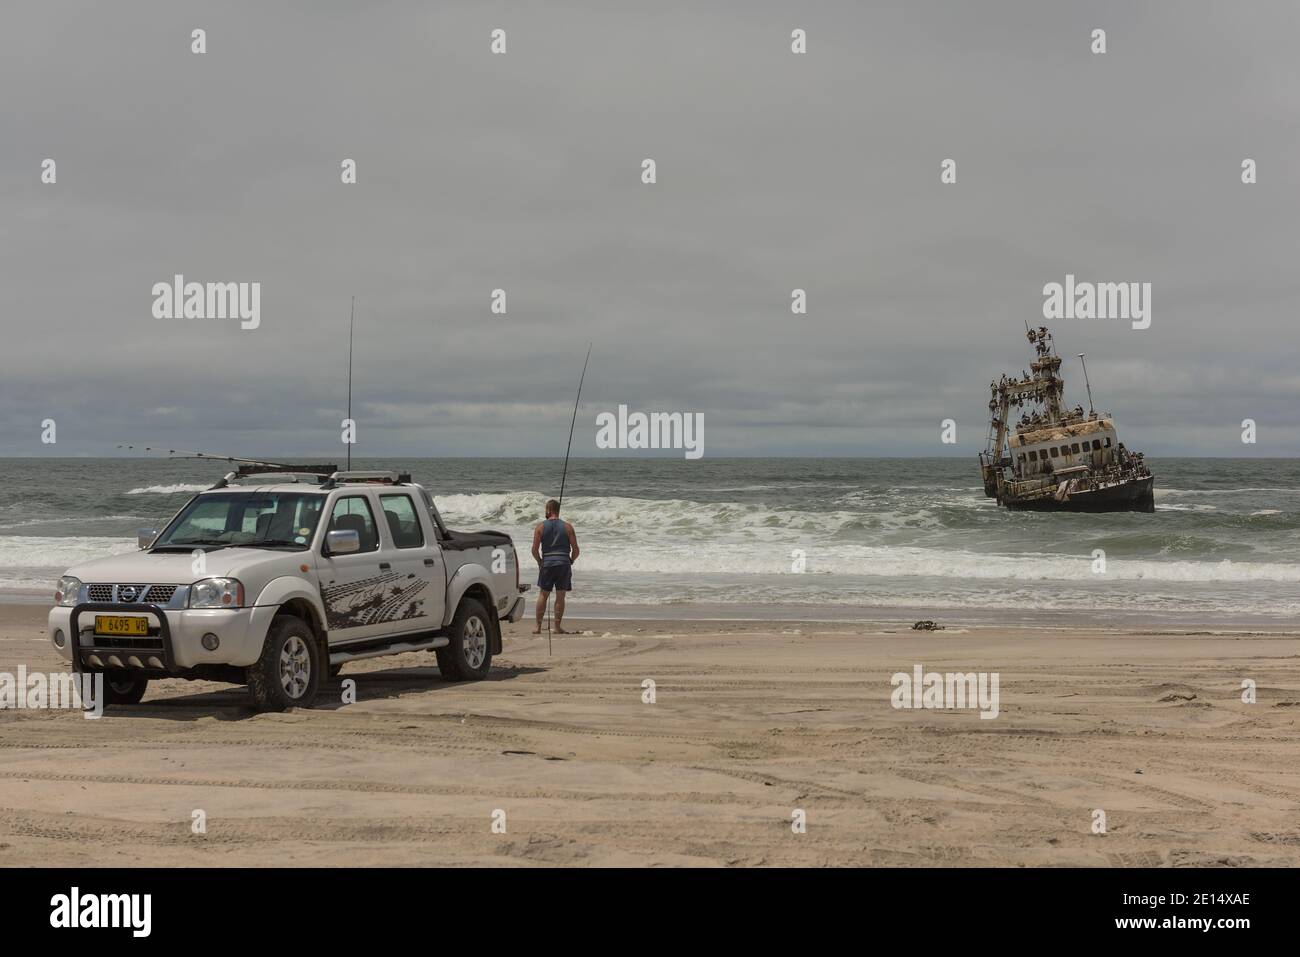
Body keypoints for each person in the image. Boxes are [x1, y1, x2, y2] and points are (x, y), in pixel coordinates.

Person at [532, 498, 579, 635]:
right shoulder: (568, 527)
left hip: (547, 563)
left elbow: (534, 550)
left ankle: (537, 626)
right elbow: (576, 549)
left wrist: (540, 561)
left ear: (548, 510)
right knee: (560, 595)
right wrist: (571, 560)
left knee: (543, 594)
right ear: (558, 511)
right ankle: (557, 627)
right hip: (563, 563)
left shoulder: (540, 527)